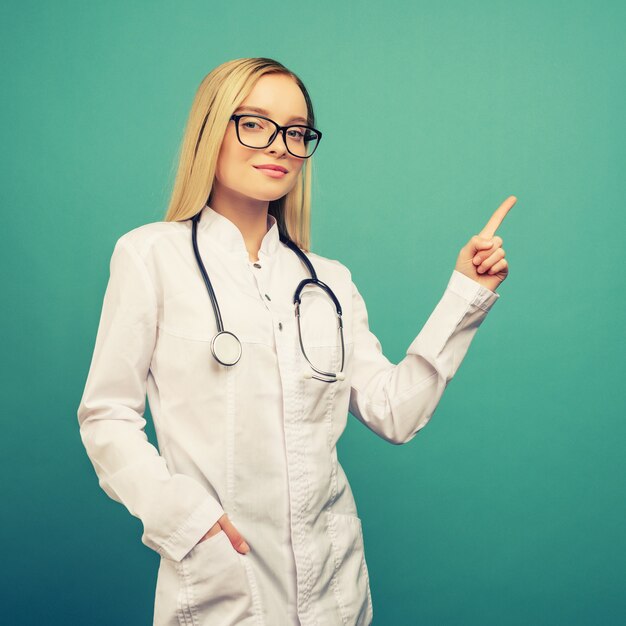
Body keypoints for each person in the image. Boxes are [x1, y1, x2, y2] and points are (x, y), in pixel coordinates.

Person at [76, 57, 513, 626]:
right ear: (213, 129)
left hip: (334, 588)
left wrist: (465, 297)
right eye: (255, 123)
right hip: (220, 586)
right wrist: (185, 519)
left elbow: (393, 412)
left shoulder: (326, 281)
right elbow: (106, 415)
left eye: (297, 132)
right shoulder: (150, 257)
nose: (280, 145)